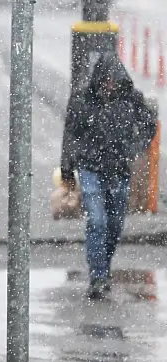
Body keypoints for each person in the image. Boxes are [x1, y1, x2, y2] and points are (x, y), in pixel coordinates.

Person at [61, 53, 156, 300]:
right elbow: (71, 136)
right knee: (97, 221)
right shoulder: (83, 100)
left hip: (119, 171)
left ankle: (103, 265)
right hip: (90, 168)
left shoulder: (131, 99)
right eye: (105, 81)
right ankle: (98, 276)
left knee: (114, 225)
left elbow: (149, 124)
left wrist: (135, 147)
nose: (109, 86)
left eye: (113, 81)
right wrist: (67, 170)